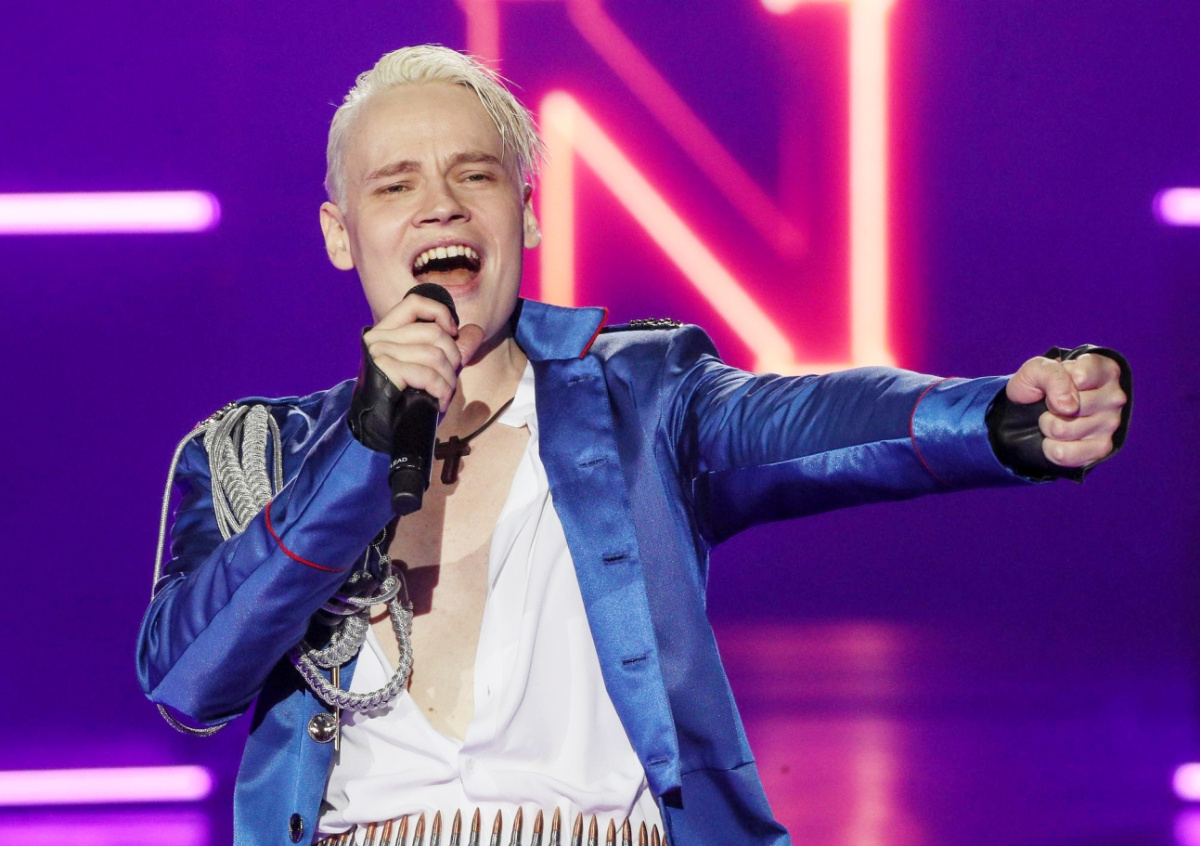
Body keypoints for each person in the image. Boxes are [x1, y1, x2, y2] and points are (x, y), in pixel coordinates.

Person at [137, 45, 1130, 846]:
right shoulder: (256, 454)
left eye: (474, 174)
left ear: (527, 213)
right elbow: (188, 683)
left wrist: (997, 419)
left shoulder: (642, 401)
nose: (441, 203)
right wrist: (363, 448)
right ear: (339, 233)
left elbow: (824, 421)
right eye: (396, 185)